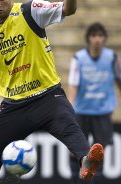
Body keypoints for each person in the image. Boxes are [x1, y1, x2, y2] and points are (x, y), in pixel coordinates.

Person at [0, 0, 105, 183]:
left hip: (48, 96)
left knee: (71, 129)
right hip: (14, 106)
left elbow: (68, 9)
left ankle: (87, 160)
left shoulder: (30, 11)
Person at [68, 22, 121, 184]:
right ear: (88, 39)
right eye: (93, 36)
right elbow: (73, 85)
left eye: (100, 36)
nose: (97, 39)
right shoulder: (78, 59)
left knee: (99, 153)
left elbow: (119, 80)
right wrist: (69, 108)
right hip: (82, 111)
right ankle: (75, 180)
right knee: (77, 151)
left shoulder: (111, 58)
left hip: (102, 112)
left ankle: (93, 180)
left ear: (104, 39)